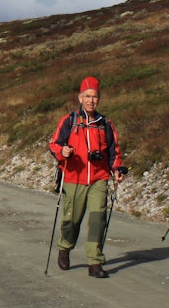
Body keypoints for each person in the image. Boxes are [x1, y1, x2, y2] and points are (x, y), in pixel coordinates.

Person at [48, 76, 126, 278]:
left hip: (99, 178)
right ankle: (65, 247)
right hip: (74, 178)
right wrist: (62, 152)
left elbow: (114, 151)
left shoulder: (106, 124)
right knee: (71, 220)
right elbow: (54, 144)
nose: (91, 100)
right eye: (88, 96)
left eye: (95, 97)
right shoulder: (69, 121)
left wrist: (116, 169)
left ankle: (95, 262)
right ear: (80, 98)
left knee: (97, 218)